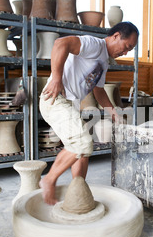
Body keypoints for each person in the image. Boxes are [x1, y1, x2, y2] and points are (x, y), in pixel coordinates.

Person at [38, 21, 139, 205]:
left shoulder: (104, 61)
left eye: (129, 51)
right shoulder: (94, 44)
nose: (125, 53)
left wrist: (113, 113)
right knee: (82, 142)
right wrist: (56, 78)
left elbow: (99, 91)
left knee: (82, 152)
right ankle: (49, 179)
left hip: (69, 104)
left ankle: (78, 190)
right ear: (116, 36)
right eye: (126, 47)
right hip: (55, 99)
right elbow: (61, 43)